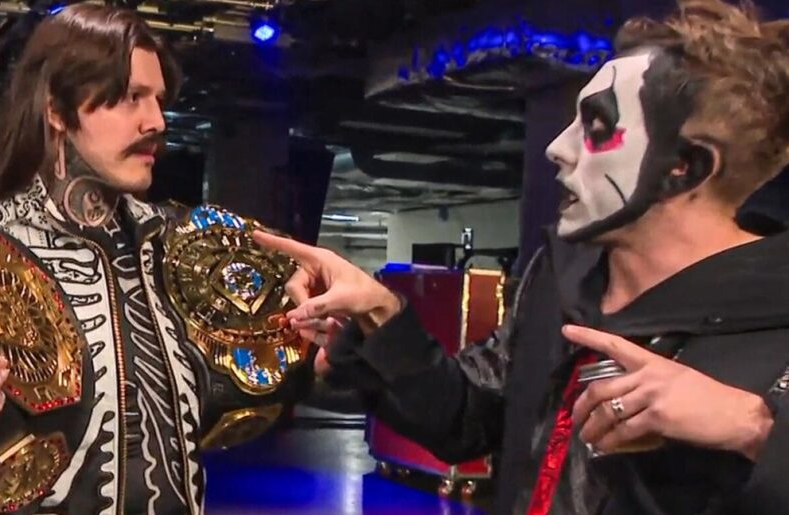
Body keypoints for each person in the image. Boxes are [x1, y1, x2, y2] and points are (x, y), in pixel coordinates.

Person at [254, 1, 789, 513]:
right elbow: (467, 417)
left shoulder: (774, 323)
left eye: (596, 129)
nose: (558, 148)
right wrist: (378, 315)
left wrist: (758, 429)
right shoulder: (563, 274)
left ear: (687, 166)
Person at [0, 4, 308, 514]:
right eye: (131, 98)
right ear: (57, 110)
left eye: (159, 100)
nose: (157, 122)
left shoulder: (183, 250)